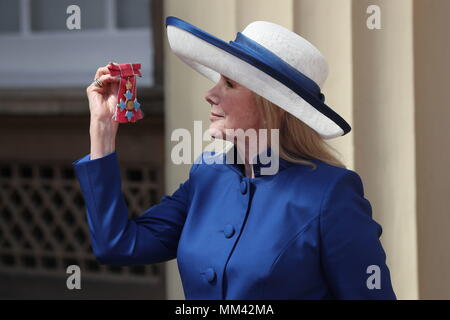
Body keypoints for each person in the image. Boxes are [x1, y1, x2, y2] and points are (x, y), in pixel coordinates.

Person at [72, 16, 396, 299]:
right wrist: (102, 128)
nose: (210, 94)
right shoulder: (208, 176)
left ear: (271, 106)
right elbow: (117, 245)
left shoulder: (331, 195)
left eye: (229, 83)